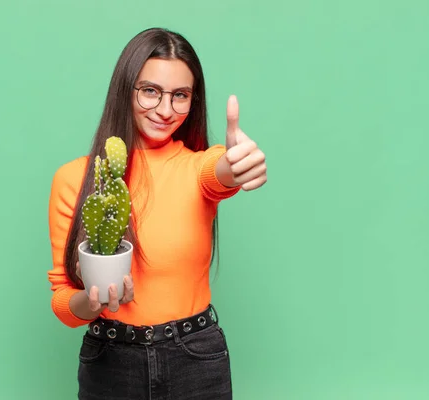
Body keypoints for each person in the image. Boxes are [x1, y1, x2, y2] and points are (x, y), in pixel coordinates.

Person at [47, 27, 267, 400]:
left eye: (180, 95)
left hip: (195, 358)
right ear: (125, 89)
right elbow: (63, 302)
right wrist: (93, 301)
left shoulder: (197, 169)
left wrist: (238, 164)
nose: (165, 110)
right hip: (110, 360)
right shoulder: (76, 180)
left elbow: (220, 172)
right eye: (150, 91)